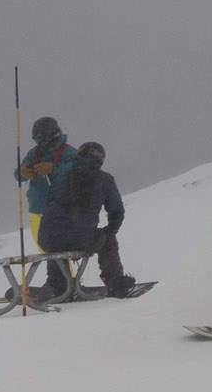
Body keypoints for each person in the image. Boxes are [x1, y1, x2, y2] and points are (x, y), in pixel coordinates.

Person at [35, 141, 137, 299]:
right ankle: (115, 283)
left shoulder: (60, 179)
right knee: (107, 239)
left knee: (56, 238)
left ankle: (58, 284)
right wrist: (111, 229)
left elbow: (50, 210)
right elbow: (116, 210)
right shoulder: (104, 179)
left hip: (46, 238)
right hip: (80, 238)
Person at [14, 116, 76, 246]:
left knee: (59, 252)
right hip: (36, 210)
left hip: (62, 210)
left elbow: (78, 170)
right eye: (36, 139)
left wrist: (53, 168)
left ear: (53, 135)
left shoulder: (67, 151)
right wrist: (22, 171)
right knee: (46, 250)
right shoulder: (34, 153)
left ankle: (64, 267)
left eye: (42, 138)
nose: (39, 142)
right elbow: (18, 175)